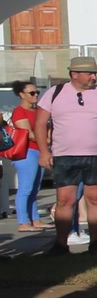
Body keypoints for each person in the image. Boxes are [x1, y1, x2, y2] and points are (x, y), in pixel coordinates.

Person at [35, 57, 97, 253]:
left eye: (95, 73)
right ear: (74, 74)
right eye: (89, 73)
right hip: (65, 155)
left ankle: (95, 244)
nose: (93, 77)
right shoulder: (55, 93)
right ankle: (61, 244)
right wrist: (44, 151)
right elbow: (39, 123)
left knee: (95, 198)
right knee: (64, 200)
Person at [9, 79, 44, 231]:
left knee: (34, 188)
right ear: (21, 94)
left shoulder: (37, 111)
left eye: (37, 92)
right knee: (25, 188)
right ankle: (23, 222)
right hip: (26, 152)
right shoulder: (19, 111)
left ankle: (35, 219)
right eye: (32, 93)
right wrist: (46, 140)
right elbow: (28, 133)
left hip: (39, 150)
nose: (35, 95)